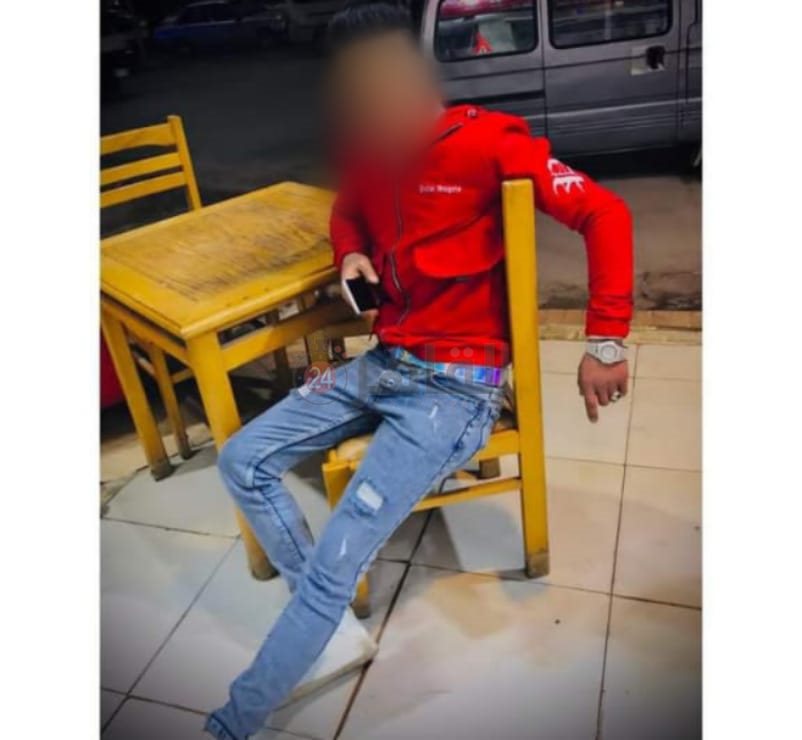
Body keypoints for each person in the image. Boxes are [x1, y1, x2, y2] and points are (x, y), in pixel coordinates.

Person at [205, 3, 633, 737]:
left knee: (339, 557)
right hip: (382, 363)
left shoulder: (488, 142)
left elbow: (605, 213)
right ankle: (327, 622)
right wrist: (351, 252)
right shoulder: (372, 158)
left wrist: (607, 343)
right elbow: (349, 210)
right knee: (241, 458)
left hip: (455, 390)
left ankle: (234, 720)